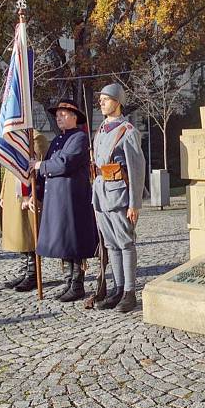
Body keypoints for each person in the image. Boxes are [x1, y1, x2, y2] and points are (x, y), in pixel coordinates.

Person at [29, 99, 98, 303]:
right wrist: (36, 193)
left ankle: (77, 284)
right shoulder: (58, 140)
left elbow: (63, 164)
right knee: (63, 242)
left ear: (75, 117)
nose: (59, 117)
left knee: (74, 242)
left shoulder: (80, 138)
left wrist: (40, 164)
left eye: (64, 114)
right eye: (57, 115)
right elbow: (45, 172)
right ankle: (68, 282)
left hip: (73, 199)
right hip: (56, 200)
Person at [91, 84, 145, 313]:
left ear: (118, 101)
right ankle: (117, 288)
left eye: (106, 99)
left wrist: (134, 203)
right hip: (101, 195)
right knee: (111, 245)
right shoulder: (101, 129)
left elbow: (136, 169)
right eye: (100, 100)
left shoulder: (128, 131)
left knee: (125, 243)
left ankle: (130, 292)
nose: (101, 103)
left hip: (120, 195)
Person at [0, 130, 49, 292]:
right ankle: (24, 270)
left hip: (29, 193)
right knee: (19, 235)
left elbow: (39, 170)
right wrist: (2, 193)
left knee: (29, 233)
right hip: (13, 194)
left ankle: (33, 274)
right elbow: (8, 169)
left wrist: (32, 193)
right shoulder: (12, 137)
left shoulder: (36, 138)